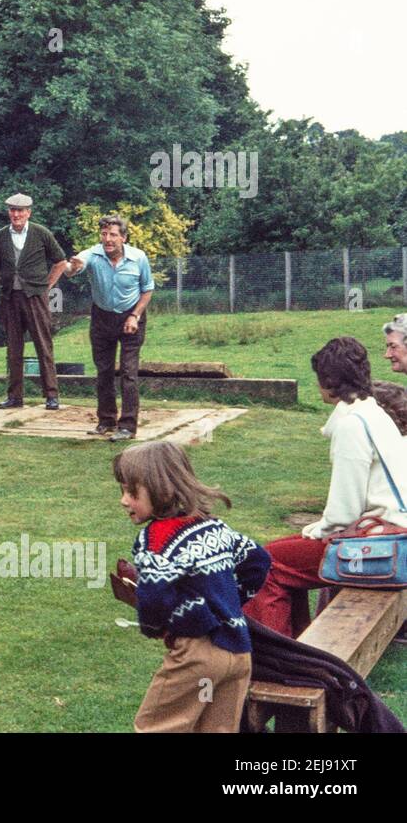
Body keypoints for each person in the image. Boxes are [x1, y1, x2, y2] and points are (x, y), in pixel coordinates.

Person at [243, 337, 407, 638]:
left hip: (388, 544)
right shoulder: (374, 412)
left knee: (264, 563)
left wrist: (319, 530)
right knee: (278, 555)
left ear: (328, 381)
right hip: (392, 529)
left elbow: (344, 513)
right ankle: (301, 640)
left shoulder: (352, 425)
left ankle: (280, 659)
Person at [114, 440, 271, 732]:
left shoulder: (156, 540)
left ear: (161, 489)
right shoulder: (214, 527)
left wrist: (151, 627)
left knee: (158, 726)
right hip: (237, 655)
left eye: (131, 491)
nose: (124, 500)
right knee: (214, 728)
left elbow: (154, 596)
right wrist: (231, 602)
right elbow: (258, 561)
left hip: (197, 660)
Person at [64, 214, 154, 441]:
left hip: (131, 318)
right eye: (104, 234)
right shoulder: (93, 255)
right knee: (103, 371)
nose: (108, 239)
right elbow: (75, 266)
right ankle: (106, 420)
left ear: (123, 237)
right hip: (102, 317)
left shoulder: (139, 258)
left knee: (128, 372)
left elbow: (148, 289)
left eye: (113, 235)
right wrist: (72, 267)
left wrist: (135, 315)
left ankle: (128, 426)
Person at [0, 193, 68, 410]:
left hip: (35, 298)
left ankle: (51, 395)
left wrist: (46, 286)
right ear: (8, 212)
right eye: (12, 210)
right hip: (10, 298)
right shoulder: (0, 237)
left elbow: (60, 262)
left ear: (28, 212)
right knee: (13, 348)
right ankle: (14, 396)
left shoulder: (42, 233)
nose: (16, 214)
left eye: (20, 210)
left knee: (43, 344)